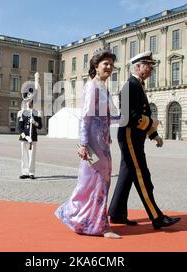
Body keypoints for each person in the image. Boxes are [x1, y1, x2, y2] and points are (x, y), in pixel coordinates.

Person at [108, 51, 181, 230]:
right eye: (149, 65)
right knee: (142, 177)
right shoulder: (129, 86)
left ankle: (117, 214)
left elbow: (142, 114)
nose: (151, 69)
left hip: (135, 137)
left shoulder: (137, 85)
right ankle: (157, 217)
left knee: (126, 177)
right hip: (130, 138)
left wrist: (153, 134)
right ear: (138, 66)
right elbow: (130, 116)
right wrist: (152, 123)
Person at [55, 48, 121, 239]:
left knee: (102, 182)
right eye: (105, 64)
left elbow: (108, 117)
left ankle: (88, 221)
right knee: (94, 182)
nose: (109, 67)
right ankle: (98, 226)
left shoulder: (103, 87)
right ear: (96, 66)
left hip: (103, 143)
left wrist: (126, 118)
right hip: (93, 143)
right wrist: (83, 144)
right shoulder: (92, 87)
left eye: (111, 64)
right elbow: (85, 118)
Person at [18, 99, 42, 180]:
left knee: (32, 156)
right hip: (24, 138)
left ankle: (31, 172)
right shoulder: (22, 113)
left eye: (31, 101)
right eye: (28, 102)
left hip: (33, 138)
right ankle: (25, 172)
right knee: (24, 155)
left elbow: (40, 126)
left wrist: (35, 122)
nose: (29, 103)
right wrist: (25, 136)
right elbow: (19, 127)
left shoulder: (37, 113)